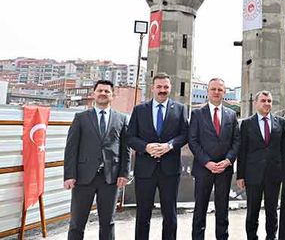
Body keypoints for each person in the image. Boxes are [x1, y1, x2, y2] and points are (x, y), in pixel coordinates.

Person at [63, 80, 130, 240]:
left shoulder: (121, 119)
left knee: (108, 223)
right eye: (100, 90)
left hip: (110, 178)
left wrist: (124, 173)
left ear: (112, 96)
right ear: (93, 94)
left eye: (107, 91)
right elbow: (71, 149)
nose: (103, 93)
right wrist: (69, 175)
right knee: (77, 223)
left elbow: (125, 149)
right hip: (83, 178)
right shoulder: (81, 118)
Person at [127, 72, 189, 240]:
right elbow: (130, 137)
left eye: (166, 87)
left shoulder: (180, 109)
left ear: (170, 88)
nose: (162, 90)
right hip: (145, 170)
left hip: (169, 171)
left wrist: (169, 146)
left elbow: (185, 135)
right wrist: (146, 147)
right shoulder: (140, 110)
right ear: (152, 88)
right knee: (143, 214)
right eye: (159, 87)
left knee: (170, 214)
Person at [188, 78, 240, 240]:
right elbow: (193, 141)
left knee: (222, 209)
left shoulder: (231, 115)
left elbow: (236, 141)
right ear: (208, 92)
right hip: (204, 169)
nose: (216, 92)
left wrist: (227, 161)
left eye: (220, 89)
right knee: (200, 209)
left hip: (224, 170)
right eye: (213, 89)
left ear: (224, 92)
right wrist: (207, 162)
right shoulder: (197, 114)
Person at [236, 91, 285, 240]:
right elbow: (242, 151)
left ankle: (271, 237)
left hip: (274, 174)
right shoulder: (246, 124)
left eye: (269, 101)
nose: (267, 104)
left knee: (272, 211)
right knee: (252, 211)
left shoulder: (281, 122)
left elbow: (284, 150)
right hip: (253, 174)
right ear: (256, 103)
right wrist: (240, 175)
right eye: (263, 100)